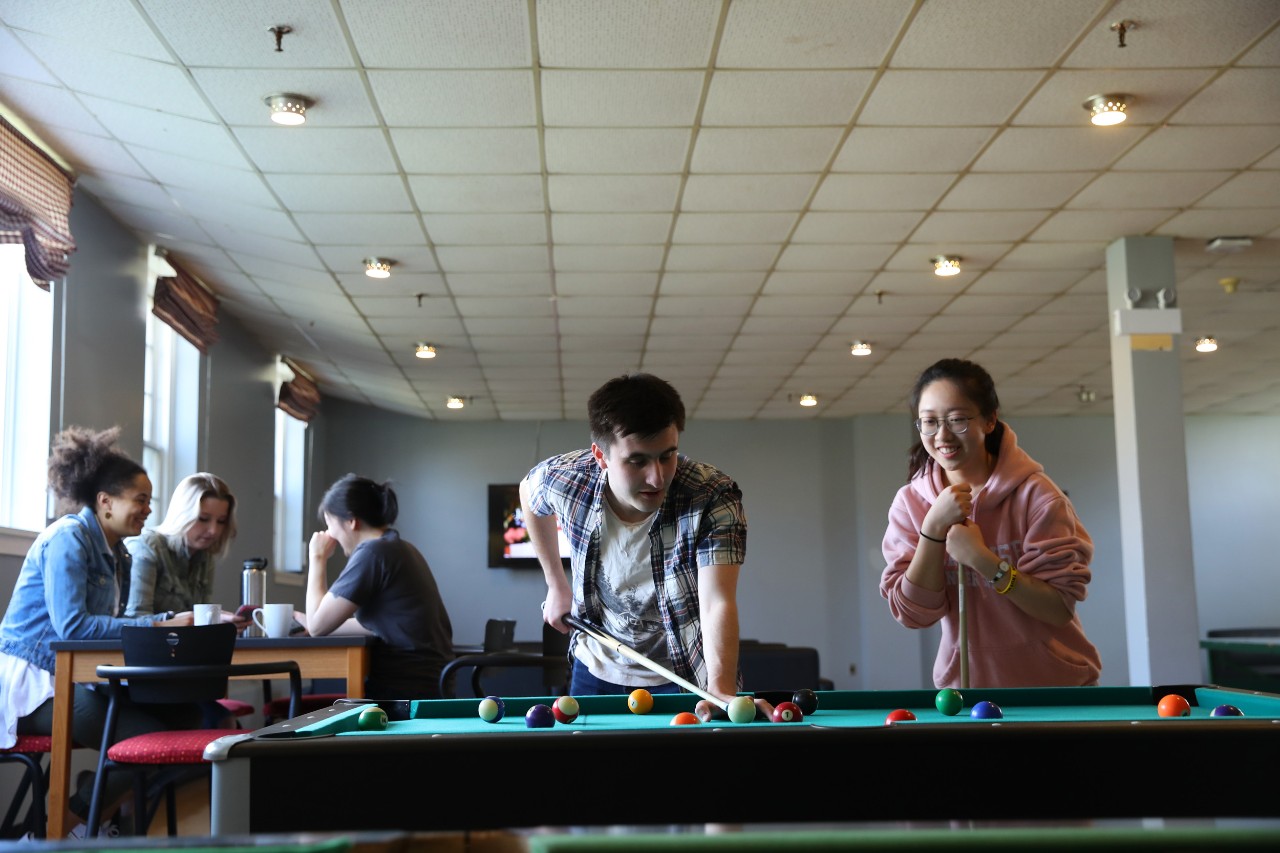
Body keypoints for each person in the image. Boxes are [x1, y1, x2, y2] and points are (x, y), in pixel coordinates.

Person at [520, 372, 769, 722]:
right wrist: (556, 584)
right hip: (594, 670)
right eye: (637, 461)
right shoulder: (570, 480)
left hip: (683, 676)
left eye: (667, 456)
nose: (657, 477)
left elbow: (717, 600)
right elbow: (528, 493)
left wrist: (720, 686)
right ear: (601, 456)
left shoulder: (712, 496)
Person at [0, 426, 200, 832]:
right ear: (105, 501)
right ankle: (50, 833)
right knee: (146, 741)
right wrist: (160, 624)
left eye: (149, 501)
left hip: (72, 678)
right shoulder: (68, 539)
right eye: (140, 500)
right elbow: (72, 629)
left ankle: (80, 814)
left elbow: (109, 629)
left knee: (188, 716)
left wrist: (161, 630)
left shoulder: (117, 553)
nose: (148, 510)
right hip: (33, 685)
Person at [879, 358, 1102, 688]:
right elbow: (913, 615)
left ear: (989, 420)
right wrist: (932, 530)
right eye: (929, 422)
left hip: (1054, 692)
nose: (942, 435)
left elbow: (1058, 609)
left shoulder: (1037, 495)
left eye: (957, 420)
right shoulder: (911, 503)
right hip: (966, 695)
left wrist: (984, 562)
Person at [306, 474, 454, 699]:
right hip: (432, 685)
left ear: (351, 521)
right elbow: (379, 626)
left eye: (329, 524)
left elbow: (317, 626)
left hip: (405, 692)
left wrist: (317, 558)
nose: (329, 535)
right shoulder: (400, 548)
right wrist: (301, 620)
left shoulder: (373, 553)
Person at [124, 472, 239, 619]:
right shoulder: (146, 546)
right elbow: (135, 619)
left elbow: (201, 621)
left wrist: (216, 621)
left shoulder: (205, 556)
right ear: (182, 515)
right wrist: (193, 619)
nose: (213, 530)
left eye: (221, 521)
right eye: (203, 519)